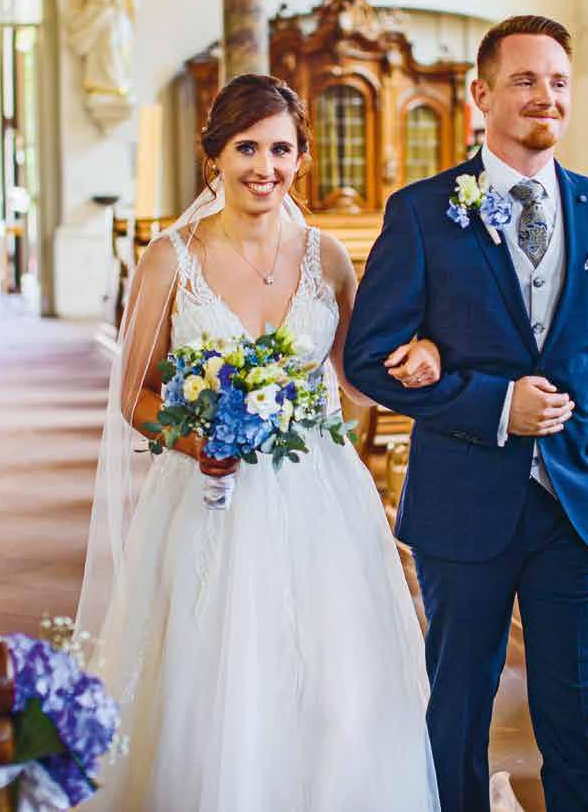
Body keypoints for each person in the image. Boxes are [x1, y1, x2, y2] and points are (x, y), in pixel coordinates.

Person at [75, 75, 442, 810]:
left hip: (320, 495)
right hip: (208, 494)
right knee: (213, 672)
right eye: (247, 147)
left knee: (335, 676)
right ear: (214, 154)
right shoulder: (169, 258)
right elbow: (134, 394)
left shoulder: (327, 258)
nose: (264, 166)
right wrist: (196, 442)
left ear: (301, 157)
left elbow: (358, 378)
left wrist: (424, 353)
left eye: (280, 149)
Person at [344, 15, 588, 812]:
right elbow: (366, 358)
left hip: (580, 507)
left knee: (580, 713)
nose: (545, 96)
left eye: (558, 82)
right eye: (525, 80)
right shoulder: (424, 212)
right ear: (481, 94)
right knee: (459, 708)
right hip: (464, 502)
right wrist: (497, 404)